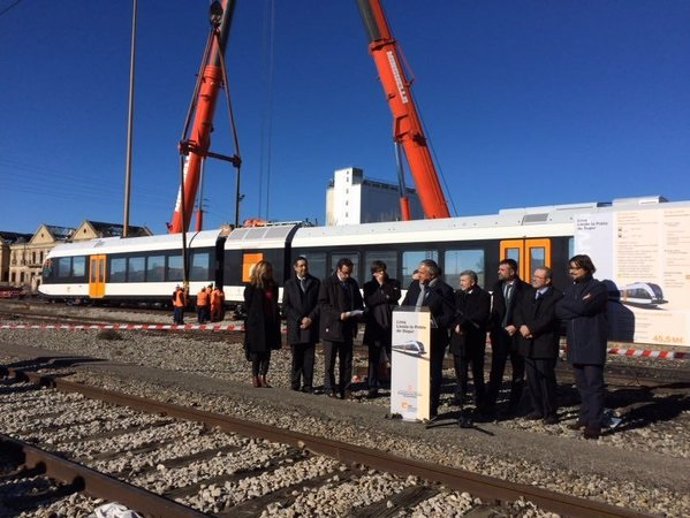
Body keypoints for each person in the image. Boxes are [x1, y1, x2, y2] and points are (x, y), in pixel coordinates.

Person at [556, 254, 608, 439]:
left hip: (592, 344)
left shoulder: (599, 288)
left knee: (594, 386)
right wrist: (577, 306)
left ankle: (595, 424)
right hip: (575, 345)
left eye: (576, 268)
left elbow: (586, 308)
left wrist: (574, 307)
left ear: (587, 268)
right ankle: (584, 417)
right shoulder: (571, 289)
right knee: (581, 385)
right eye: (571, 268)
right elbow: (559, 310)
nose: (572, 271)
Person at [401, 259, 455, 419]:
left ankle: (431, 408)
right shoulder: (413, 286)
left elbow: (449, 316)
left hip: (434, 339)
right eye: (418, 271)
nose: (418, 275)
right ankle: (412, 403)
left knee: (433, 374)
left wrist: (432, 323)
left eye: (422, 272)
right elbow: (405, 306)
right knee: (414, 373)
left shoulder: (444, 290)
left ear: (431, 274)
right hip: (412, 337)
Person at [513, 267, 563, 425]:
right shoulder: (527, 293)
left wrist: (532, 329)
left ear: (547, 280)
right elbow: (517, 311)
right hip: (527, 343)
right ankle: (537, 409)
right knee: (532, 379)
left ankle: (550, 412)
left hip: (544, 344)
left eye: (538, 277)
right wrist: (521, 326)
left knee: (545, 379)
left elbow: (550, 318)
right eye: (533, 276)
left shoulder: (556, 296)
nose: (534, 279)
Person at [485, 258, 530, 417]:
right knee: (496, 370)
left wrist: (516, 326)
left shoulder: (525, 288)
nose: (499, 272)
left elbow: (527, 311)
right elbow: (496, 309)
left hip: (517, 336)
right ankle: (490, 404)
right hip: (499, 334)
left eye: (502, 270)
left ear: (512, 271)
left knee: (518, 371)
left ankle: (514, 405)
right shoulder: (497, 286)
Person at [318, 257, 364, 399]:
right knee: (330, 362)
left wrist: (358, 312)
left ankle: (346, 389)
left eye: (349, 273)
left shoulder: (352, 284)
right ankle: (329, 388)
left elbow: (358, 302)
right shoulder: (327, 283)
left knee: (347, 361)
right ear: (339, 270)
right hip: (331, 327)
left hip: (347, 328)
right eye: (345, 273)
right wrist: (339, 315)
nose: (347, 275)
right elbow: (323, 304)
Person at [449, 270, 490, 410]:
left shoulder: (483, 295)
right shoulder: (458, 295)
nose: (461, 283)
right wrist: (455, 326)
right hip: (458, 338)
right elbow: (452, 313)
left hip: (474, 339)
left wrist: (464, 325)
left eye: (464, 281)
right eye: (460, 281)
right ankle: (460, 395)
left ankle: (479, 397)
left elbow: (481, 315)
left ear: (472, 282)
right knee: (460, 370)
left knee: (477, 370)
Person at [363, 260, 401, 398]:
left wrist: (383, 286)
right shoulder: (368, 286)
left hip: (391, 326)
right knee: (374, 358)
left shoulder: (393, 283)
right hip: (375, 327)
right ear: (374, 273)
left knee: (394, 357)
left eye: (383, 270)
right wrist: (384, 295)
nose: (382, 273)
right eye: (379, 271)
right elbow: (369, 301)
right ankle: (373, 386)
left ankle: (397, 385)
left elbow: (396, 296)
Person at [282, 256, 320, 393]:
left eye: (305, 265)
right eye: (301, 266)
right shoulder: (289, 284)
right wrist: (299, 319)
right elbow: (286, 306)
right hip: (295, 326)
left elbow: (319, 304)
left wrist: (310, 318)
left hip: (310, 325)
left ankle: (308, 385)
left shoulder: (315, 282)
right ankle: (295, 383)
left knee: (309, 358)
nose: (304, 268)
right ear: (295, 268)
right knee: (297, 357)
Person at [243, 260, 281, 388]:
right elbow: (247, 305)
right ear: (261, 272)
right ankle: (255, 376)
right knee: (256, 351)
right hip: (256, 325)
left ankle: (263, 376)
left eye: (271, 271)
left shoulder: (273, 286)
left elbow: (274, 303)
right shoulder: (252, 287)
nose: (270, 273)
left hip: (270, 323)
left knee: (267, 352)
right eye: (268, 271)